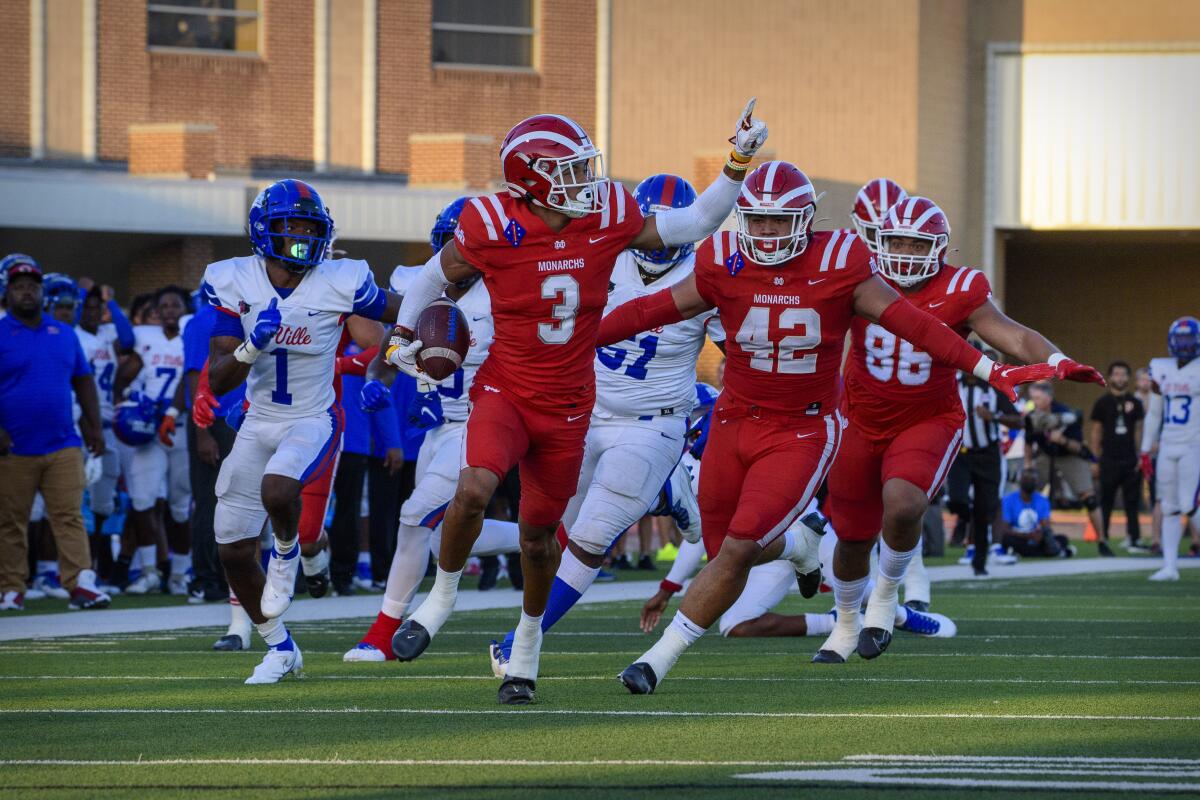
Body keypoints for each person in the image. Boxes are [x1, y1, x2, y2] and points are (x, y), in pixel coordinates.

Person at [596, 164, 1053, 694]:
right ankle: (799, 547)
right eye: (758, 221)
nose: (766, 233)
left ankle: (655, 660)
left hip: (804, 427)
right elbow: (648, 311)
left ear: (806, 218)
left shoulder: (842, 263)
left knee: (747, 546)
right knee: (726, 550)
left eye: (778, 221)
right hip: (736, 419)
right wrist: (567, 338)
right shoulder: (722, 261)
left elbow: (921, 328)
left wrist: (992, 370)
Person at [383, 104, 769, 706]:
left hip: (570, 407)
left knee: (542, 540)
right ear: (530, 180)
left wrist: (737, 162)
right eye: (569, 171)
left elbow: (695, 221)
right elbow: (432, 276)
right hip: (507, 390)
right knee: (473, 489)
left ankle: (527, 649)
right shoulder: (490, 222)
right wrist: (405, 334)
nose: (585, 182)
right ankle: (440, 597)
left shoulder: (609, 212)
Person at [486, 174, 725, 676]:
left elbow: (741, 354)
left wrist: (721, 407)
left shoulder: (706, 278)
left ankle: (522, 641)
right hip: (582, 410)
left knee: (593, 538)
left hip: (652, 422)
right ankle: (665, 494)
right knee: (550, 529)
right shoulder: (599, 256)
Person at [202, 179, 402, 683]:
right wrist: (252, 347)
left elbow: (399, 316)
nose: (301, 237)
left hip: (312, 417)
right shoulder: (233, 280)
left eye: (310, 228)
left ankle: (288, 552)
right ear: (262, 231)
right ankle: (279, 647)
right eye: (289, 226)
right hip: (257, 420)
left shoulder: (341, 278)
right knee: (230, 547)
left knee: (280, 489)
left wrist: (395, 361)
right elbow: (220, 375)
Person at [0, 254, 110, 611]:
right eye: (19, 287)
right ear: (7, 292)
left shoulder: (63, 333)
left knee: (69, 515)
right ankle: (11, 587)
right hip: (13, 445)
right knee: (10, 520)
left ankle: (79, 583)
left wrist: (94, 426)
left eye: (33, 286)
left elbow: (83, 381)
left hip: (64, 441)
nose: (27, 292)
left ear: (42, 291)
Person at [112, 285, 192, 595]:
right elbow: (123, 373)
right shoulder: (145, 338)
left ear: (185, 309)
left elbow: (194, 379)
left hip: (181, 428)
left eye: (176, 305)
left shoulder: (193, 335)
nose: (170, 310)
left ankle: (180, 574)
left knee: (180, 506)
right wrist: (124, 402)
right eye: (164, 306)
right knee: (143, 499)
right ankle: (148, 571)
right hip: (149, 429)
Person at [75, 284, 135, 581]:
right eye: (88, 307)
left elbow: (128, 338)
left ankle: (98, 568)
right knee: (79, 501)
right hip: (82, 423)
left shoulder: (106, 335)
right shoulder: (74, 336)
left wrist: (110, 303)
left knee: (103, 502)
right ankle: (80, 569)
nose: (93, 313)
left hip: (108, 425)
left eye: (97, 308)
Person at [946, 350, 1025, 574]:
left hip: (987, 454)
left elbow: (1018, 421)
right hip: (960, 453)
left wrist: (995, 417)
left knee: (985, 508)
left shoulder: (993, 388)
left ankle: (979, 562)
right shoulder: (952, 385)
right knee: (957, 499)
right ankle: (962, 519)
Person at [1140, 317, 1200, 582]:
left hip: (1194, 443)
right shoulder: (1160, 368)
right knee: (1169, 506)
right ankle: (1170, 566)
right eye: (1181, 338)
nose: (1184, 344)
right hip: (1168, 443)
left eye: (1189, 338)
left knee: (1189, 503)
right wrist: (1144, 449)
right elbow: (1154, 413)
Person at [1025, 381, 1109, 554]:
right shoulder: (1032, 416)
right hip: (1046, 455)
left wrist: (1061, 440)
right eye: (1033, 398)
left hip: (1069, 455)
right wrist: (1028, 466)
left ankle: (1102, 540)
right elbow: (1028, 441)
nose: (1035, 402)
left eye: (1038, 398)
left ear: (1049, 398)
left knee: (1089, 498)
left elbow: (1078, 447)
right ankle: (1026, 533)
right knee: (1027, 488)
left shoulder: (1066, 414)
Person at [1090, 361, 1145, 552]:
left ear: (1128, 378)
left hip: (1130, 458)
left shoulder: (1135, 403)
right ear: (1110, 377)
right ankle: (1103, 539)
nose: (1120, 378)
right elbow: (1096, 433)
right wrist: (1095, 460)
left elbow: (1139, 430)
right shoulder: (1102, 403)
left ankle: (1134, 539)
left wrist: (1140, 455)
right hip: (1109, 459)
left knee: (1132, 501)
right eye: (1116, 374)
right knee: (1106, 501)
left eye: (1123, 374)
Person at [996, 466, 1075, 558]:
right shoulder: (1008, 500)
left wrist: (1040, 535)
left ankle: (1025, 553)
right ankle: (1053, 552)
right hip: (1018, 537)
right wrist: (1026, 536)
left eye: (1033, 480)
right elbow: (1004, 529)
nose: (1030, 482)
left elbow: (1045, 526)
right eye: (1027, 479)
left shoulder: (1042, 500)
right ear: (1021, 480)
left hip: (1035, 539)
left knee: (1062, 538)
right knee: (1006, 539)